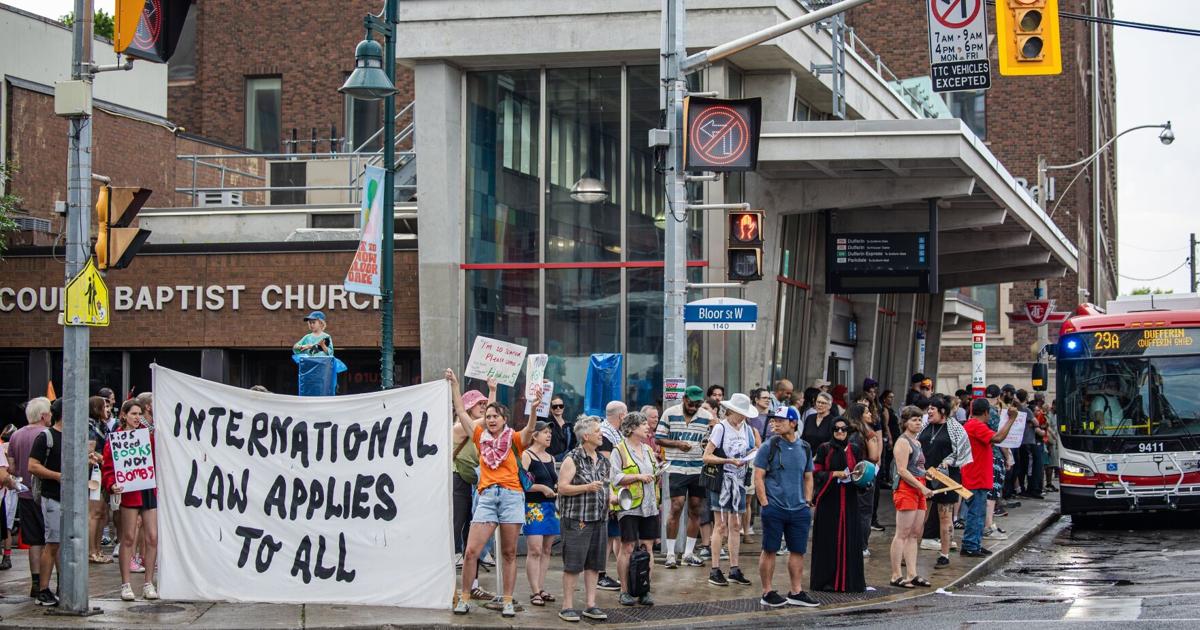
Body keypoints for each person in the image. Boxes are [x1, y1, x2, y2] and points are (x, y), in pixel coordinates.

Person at [447, 369, 539, 618]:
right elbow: (463, 413)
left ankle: (507, 600)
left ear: (504, 419)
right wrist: (455, 385)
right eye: (487, 416)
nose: (490, 419)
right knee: (471, 551)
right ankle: (465, 597)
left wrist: (533, 410)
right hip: (487, 496)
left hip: (511, 497)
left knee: (509, 552)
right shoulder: (478, 436)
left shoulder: (514, 439)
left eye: (495, 416)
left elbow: (530, 431)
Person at [754, 406, 819, 608]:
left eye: (780, 420)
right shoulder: (769, 446)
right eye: (774, 420)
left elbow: (808, 476)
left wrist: (807, 501)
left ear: (793, 423)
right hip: (775, 507)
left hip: (799, 509)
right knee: (770, 549)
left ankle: (796, 591)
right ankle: (767, 592)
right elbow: (758, 476)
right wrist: (765, 502)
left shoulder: (805, 448)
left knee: (798, 550)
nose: (775, 423)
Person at [101, 399, 160, 602]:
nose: (137, 418)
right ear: (124, 415)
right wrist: (111, 485)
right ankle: (125, 584)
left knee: (152, 537)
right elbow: (107, 468)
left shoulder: (148, 436)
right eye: (133, 414)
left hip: (148, 489)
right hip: (129, 491)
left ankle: (148, 583)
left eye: (139, 414)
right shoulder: (114, 438)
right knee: (128, 537)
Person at [556, 417, 612, 622]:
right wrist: (586, 488)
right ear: (586, 436)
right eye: (597, 431)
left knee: (594, 564)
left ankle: (591, 605)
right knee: (573, 564)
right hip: (577, 519)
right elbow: (562, 488)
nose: (601, 434)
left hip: (600, 518)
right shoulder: (573, 458)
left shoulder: (604, 461)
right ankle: (567, 606)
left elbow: (606, 487)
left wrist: (614, 498)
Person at [702, 393, 760, 588]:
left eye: (744, 414)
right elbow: (706, 456)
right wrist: (728, 460)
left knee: (735, 524)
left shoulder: (748, 429)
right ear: (732, 411)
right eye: (740, 413)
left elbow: (754, 448)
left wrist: (750, 455)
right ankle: (715, 568)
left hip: (739, 480)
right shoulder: (720, 428)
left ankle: (734, 568)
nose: (742, 417)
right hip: (722, 480)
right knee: (720, 525)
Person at [450, 379, 498, 601]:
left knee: (473, 535)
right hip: (458, 481)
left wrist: (492, 391)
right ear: (469, 407)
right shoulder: (460, 426)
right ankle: (450, 584)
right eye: (480, 403)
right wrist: (491, 392)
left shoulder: (479, 425)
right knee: (455, 531)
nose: (484, 406)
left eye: (485, 403)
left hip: (475, 482)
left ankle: (473, 584)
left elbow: (490, 420)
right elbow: (486, 421)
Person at [654, 385, 712, 569]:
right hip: (677, 466)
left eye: (698, 404)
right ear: (684, 399)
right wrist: (677, 444)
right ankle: (671, 553)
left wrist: (715, 423)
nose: (694, 407)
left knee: (696, 508)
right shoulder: (670, 413)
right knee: (676, 506)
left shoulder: (707, 417)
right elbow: (658, 438)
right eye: (691, 403)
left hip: (698, 467)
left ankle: (688, 552)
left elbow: (715, 438)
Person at [609, 412, 660, 607]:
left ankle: (644, 588)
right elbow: (615, 477)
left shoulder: (648, 449)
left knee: (648, 547)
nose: (647, 427)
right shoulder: (619, 450)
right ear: (631, 428)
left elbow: (653, 472)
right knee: (627, 547)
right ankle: (624, 590)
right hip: (629, 505)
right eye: (643, 424)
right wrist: (638, 477)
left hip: (649, 504)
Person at [810, 418, 866, 592]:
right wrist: (834, 474)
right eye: (836, 429)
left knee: (850, 539)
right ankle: (827, 582)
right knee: (829, 541)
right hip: (829, 502)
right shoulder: (824, 448)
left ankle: (849, 581)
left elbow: (861, 470)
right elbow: (816, 472)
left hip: (849, 502)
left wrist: (861, 478)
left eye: (843, 429)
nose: (840, 432)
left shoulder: (855, 449)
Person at [960, 399, 1019, 557]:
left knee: (978, 512)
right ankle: (971, 545)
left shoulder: (973, 425)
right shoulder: (975, 426)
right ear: (986, 413)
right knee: (976, 512)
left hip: (978, 476)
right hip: (976, 477)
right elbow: (998, 438)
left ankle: (975, 543)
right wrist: (1012, 419)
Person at [918, 397, 972, 569]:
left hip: (947, 479)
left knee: (945, 516)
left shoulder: (956, 428)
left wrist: (948, 461)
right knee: (920, 516)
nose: (929, 412)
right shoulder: (926, 427)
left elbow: (963, 452)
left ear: (942, 410)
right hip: (925, 476)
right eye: (929, 408)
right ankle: (912, 551)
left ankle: (944, 554)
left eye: (932, 408)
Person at [9, 397, 51, 598]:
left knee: (34, 540)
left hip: (24, 492)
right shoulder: (46, 434)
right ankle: (46, 583)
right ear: (44, 416)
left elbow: (12, 467)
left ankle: (35, 582)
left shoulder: (16, 435)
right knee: (51, 540)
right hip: (45, 492)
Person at [28, 399, 67, 606]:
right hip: (52, 496)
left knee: (62, 543)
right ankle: (43, 590)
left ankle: (63, 586)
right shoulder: (46, 437)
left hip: (68, 499)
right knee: (52, 543)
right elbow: (32, 466)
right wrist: (56, 476)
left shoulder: (71, 436)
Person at [889, 406, 933, 589]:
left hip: (918, 488)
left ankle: (912, 573)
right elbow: (902, 470)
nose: (917, 423)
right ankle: (896, 574)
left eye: (919, 419)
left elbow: (916, 467)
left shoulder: (917, 442)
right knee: (902, 533)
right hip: (907, 489)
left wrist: (926, 475)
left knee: (915, 534)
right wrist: (921, 486)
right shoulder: (903, 442)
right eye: (913, 420)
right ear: (905, 422)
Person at [522, 421, 560, 607]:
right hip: (533, 506)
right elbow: (523, 484)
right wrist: (542, 488)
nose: (549, 435)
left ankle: (541, 587)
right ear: (535, 435)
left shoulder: (552, 458)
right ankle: (534, 590)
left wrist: (556, 488)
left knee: (546, 550)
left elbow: (555, 481)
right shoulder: (527, 455)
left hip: (551, 507)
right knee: (535, 549)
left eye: (549, 432)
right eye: (544, 432)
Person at [596, 400, 627, 591]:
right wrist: (612, 493)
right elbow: (606, 466)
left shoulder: (613, 432)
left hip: (613, 489)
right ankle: (600, 574)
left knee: (613, 535)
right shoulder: (606, 434)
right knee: (605, 535)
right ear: (621, 416)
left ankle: (603, 573)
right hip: (608, 491)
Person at [844, 403, 882, 553]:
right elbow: (874, 456)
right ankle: (862, 546)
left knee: (850, 511)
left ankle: (849, 543)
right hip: (864, 475)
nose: (870, 415)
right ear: (860, 415)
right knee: (865, 512)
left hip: (848, 475)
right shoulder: (868, 433)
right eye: (867, 412)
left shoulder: (845, 431)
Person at [87, 396, 113, 565]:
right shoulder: (90, 426)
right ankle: (91, 551)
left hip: (103, 472)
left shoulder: (102, 425)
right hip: (93, 473)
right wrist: (103, 458)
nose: (108, 410)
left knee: (102, 514)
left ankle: (98, 549)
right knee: (95, 514)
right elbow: (89, 450)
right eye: (105, 406)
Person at [547, 396, 575, 460]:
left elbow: (573, 444)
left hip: (566, 459)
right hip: (551, 459)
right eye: (555, 406)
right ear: (551, 409)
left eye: (561, 406)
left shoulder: (569, 425)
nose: (558, 408)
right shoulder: (547, 423)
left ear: (563, 408)